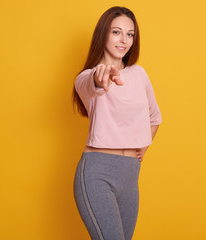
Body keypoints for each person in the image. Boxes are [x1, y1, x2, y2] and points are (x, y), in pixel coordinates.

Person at [72, 6, 162, 240]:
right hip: (97, 173)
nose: (124, 40)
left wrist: (144, 145)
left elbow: (155, 117)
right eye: (117, 32)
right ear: (103, 34)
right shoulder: (87, 76)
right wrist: (99, 77)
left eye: (130, 34)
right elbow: (89, 85)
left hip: (130, 177)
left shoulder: (139, 74)